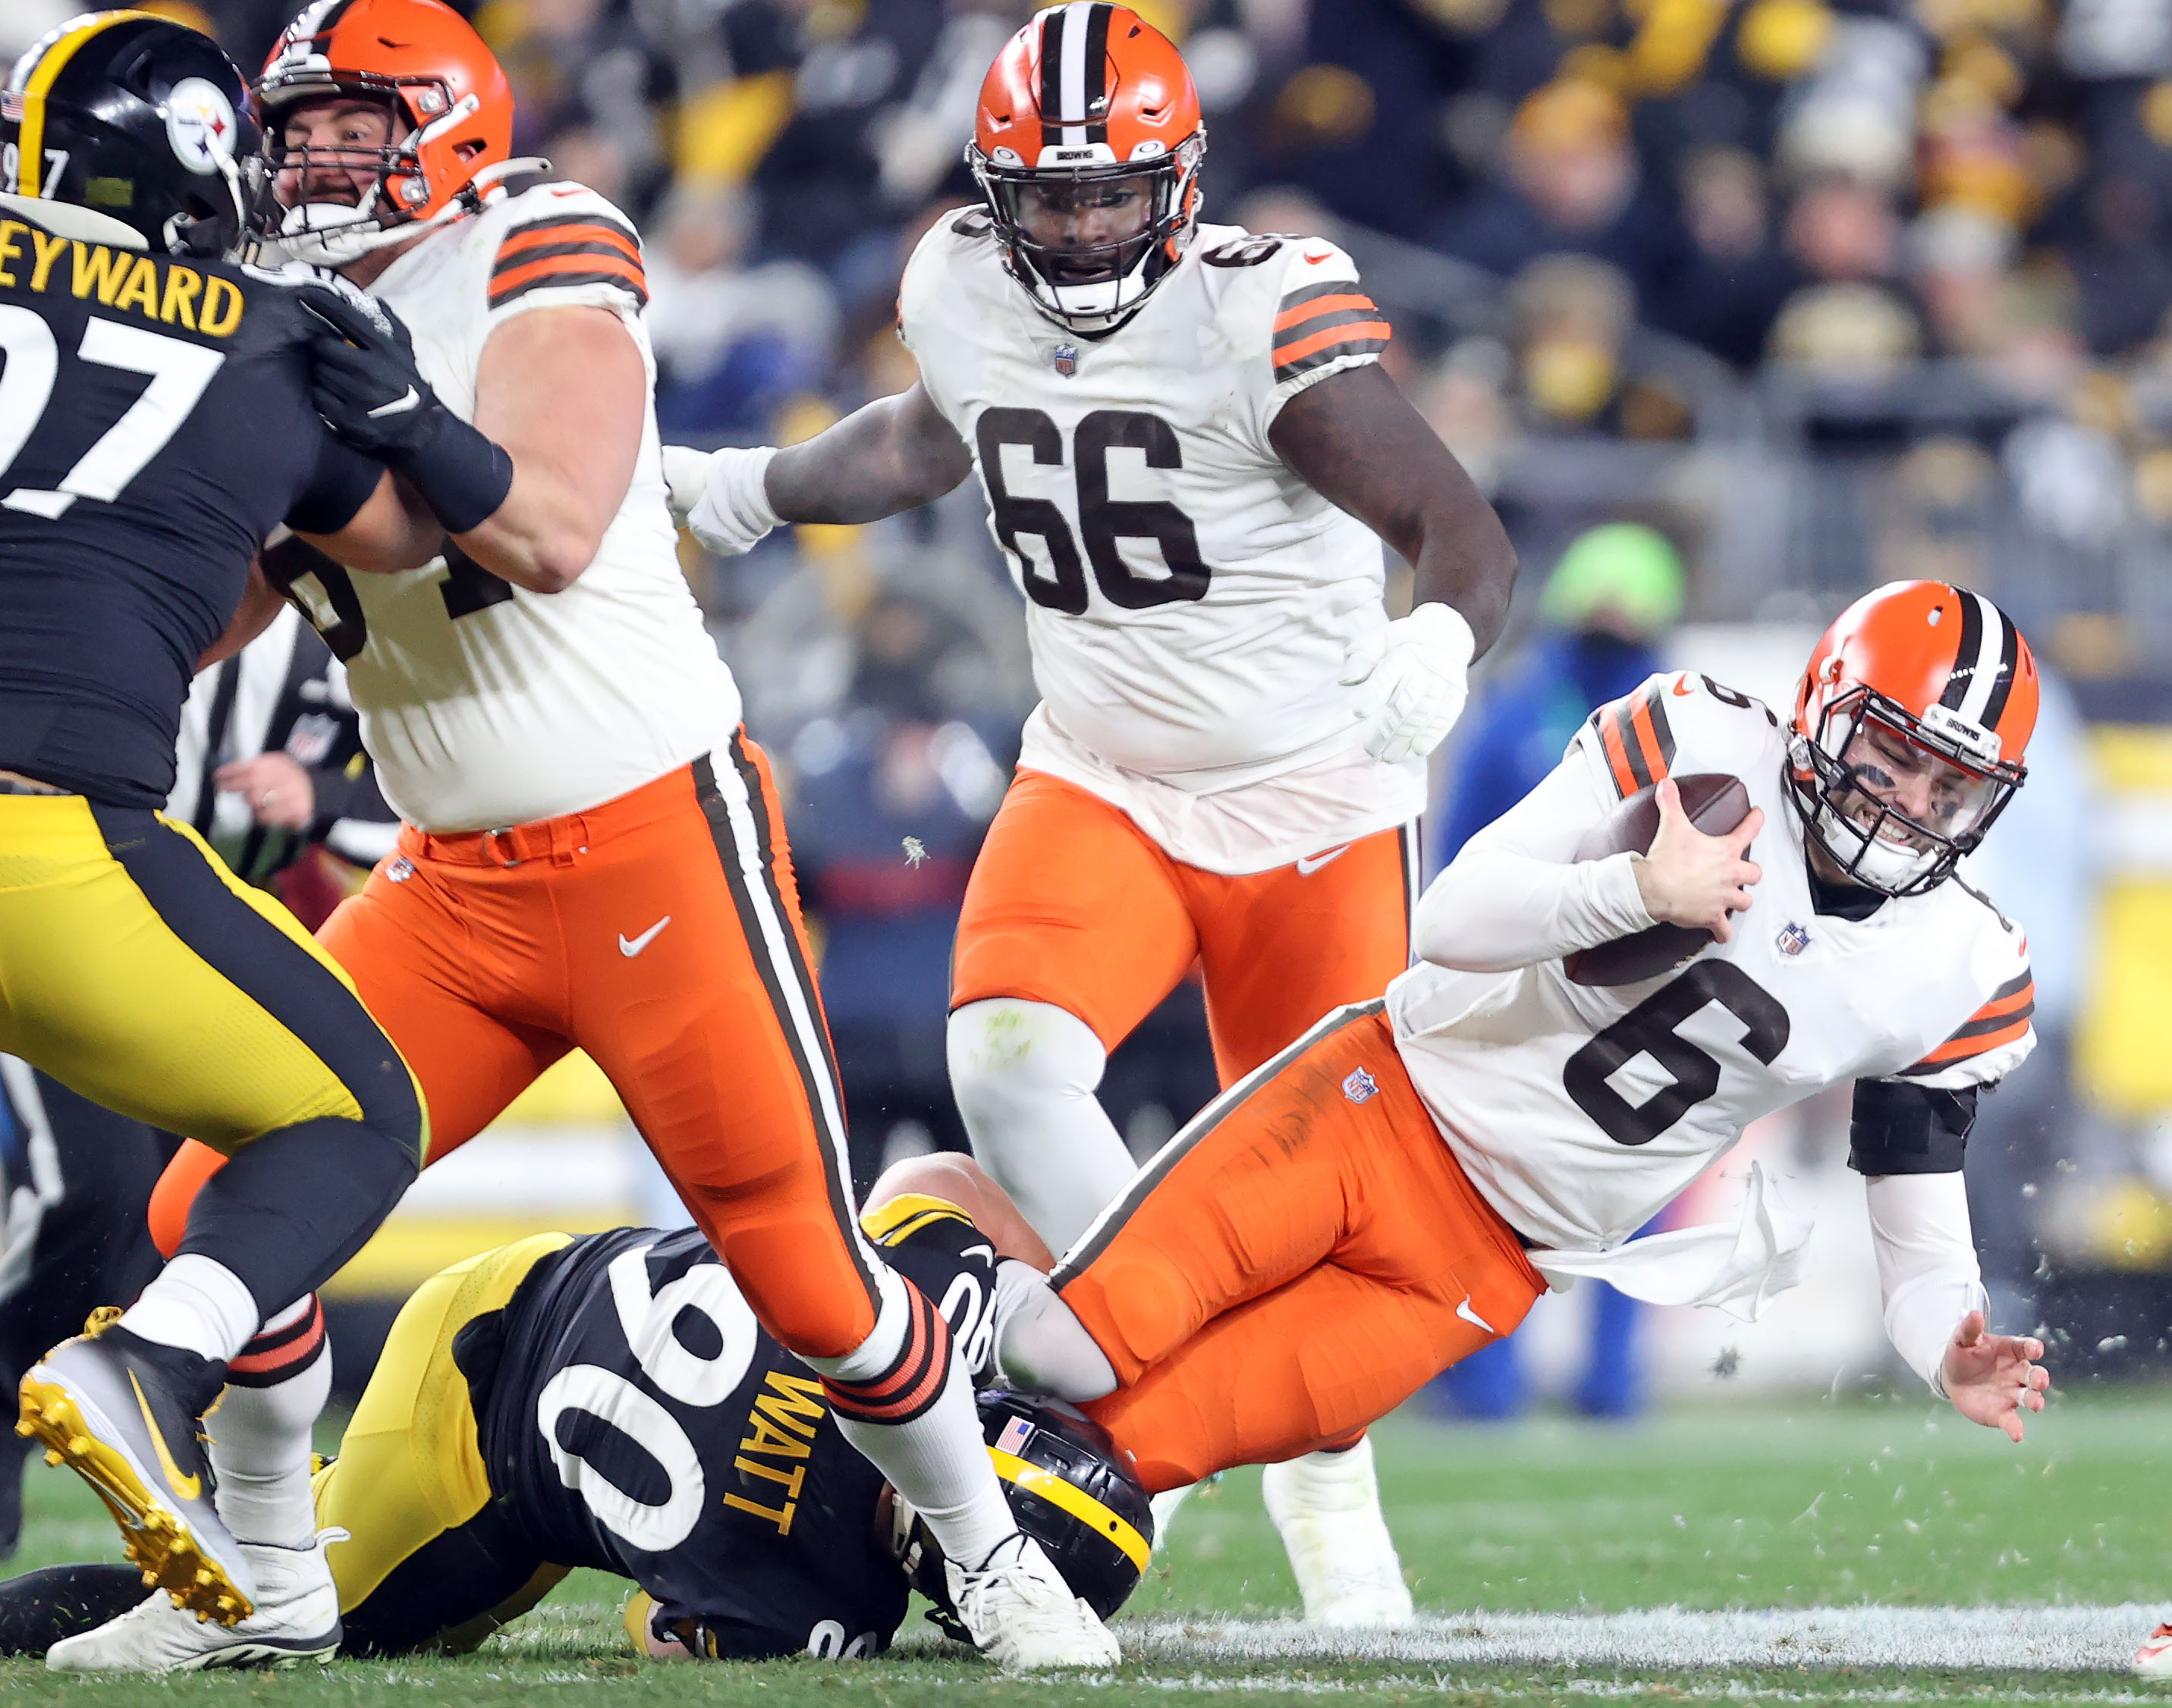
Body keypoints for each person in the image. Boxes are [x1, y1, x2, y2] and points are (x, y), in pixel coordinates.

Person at [98, 0, 1110, 1672]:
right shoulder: (265, 310)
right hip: (447, 883)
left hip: (651, 845)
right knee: (223, 1202)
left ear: (454, 125)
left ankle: (989, 1550)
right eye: (299, 131)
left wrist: (387, 411)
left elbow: (554, 526)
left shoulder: (533, 244)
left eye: (356, 124)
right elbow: (246, 592)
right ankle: (261, 1577)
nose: (314, 160)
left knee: (805, 1268)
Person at [668, 0, 1517, 1624]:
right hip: (1106, 766)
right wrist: (753, 488)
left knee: (1326, 1193)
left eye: (1107, 193)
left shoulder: (1261, 313)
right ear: (993, 191)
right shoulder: (957, 285)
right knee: (1005, 1065)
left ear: (1179, 181)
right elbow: (937, 436)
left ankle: (1321, 1477)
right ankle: (1132, 1389)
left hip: (1312, 796)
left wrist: (1437, 636)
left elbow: (1455, 524)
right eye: (1043, 196)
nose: (1072, 225)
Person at [994, 582, 2054, 1496]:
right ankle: (913, 1295)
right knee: (1065, 1351)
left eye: (1948, 788)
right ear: (1825, 705)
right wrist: (1634, 889)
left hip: (1487, 1262)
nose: (1909, 804)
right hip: (1378, 1105)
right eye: (1888, 756)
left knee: (1123, 1463)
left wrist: (1943, 1347)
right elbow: (1449, 921)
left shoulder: (1956, 967)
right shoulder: (1698, 741)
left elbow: (1918, 1233)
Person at [0, 11, 446, 1631]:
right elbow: (457, 524)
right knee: (350, 1117)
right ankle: (150, 1365)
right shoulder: (267, 338)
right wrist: (396, 402)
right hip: (47, 845)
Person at [0, 1158, 1151, 1669]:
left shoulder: (934, 1305)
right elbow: (653, 1629)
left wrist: (1042, 1301)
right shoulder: (826, 1610)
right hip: (475, 1456)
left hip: (533, 1277)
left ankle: (262, 1446)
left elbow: (932, 1185)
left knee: (313, 1543)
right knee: (281, 1621)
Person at [1429, 522, 1684, 1423]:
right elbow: (1457, 848)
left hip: (1641, 990)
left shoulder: (1688, 722)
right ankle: (1488, 1384)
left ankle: (1612, 1383)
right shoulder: (1524, 710)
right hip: (1522, 984)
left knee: (1636, 1182)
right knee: (1489, 1183)